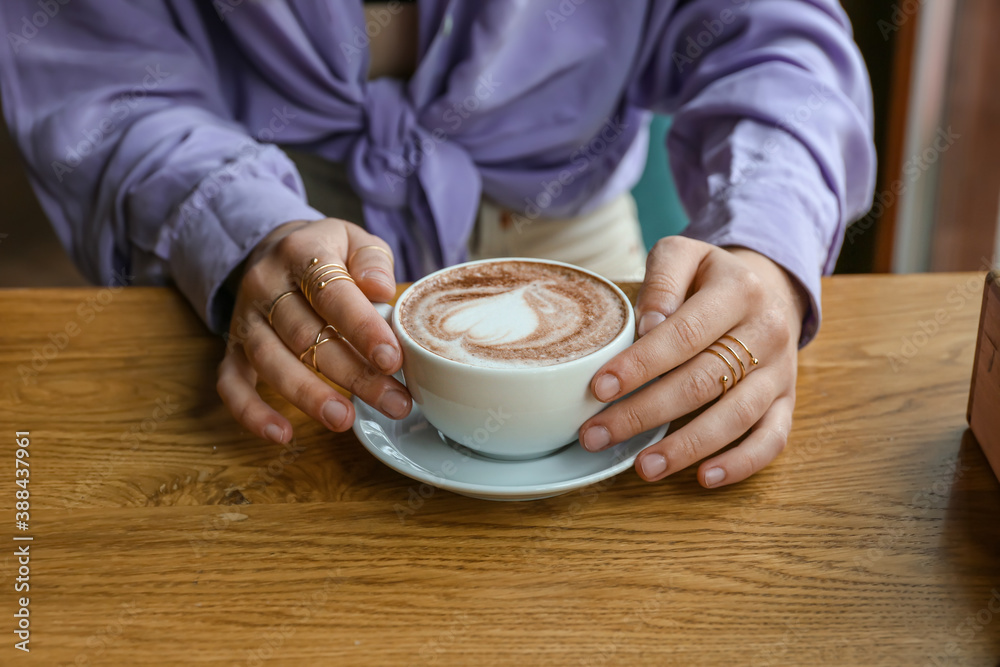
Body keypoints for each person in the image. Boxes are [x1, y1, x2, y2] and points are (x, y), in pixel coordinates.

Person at [0, 1, 875, 488]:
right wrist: (235, 229)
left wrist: (769, 245)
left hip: (580, 247)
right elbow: (94, 72)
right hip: (285, 252)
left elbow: (773, 33)